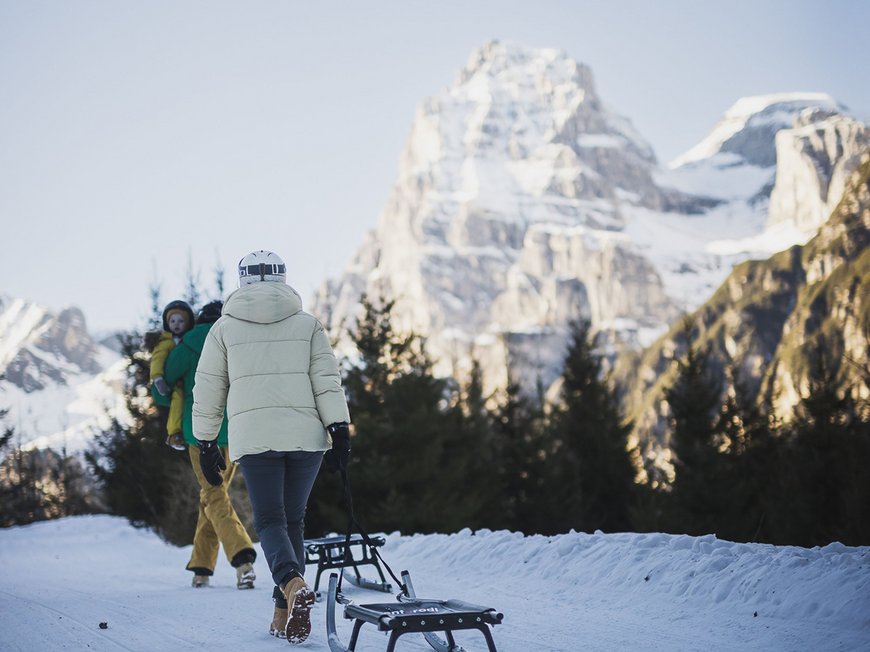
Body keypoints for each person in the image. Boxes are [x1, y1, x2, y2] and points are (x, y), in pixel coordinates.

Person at [192, 250, 351, 644]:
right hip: (307, 437)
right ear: (283, 278)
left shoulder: (224, 329)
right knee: (292, 519)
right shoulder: (308, 324)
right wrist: (340, 428)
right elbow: (327, 380)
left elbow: (209, 388)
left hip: (257, 438)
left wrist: (207, 441)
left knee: (269, 521)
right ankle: (283, 611)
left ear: (242, 280)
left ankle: (292, 585)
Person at [163, 300, 258, 589]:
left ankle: (242, 560)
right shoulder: (235, 340)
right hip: (233, 431)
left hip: (199, 433)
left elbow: (164, 386)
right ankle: (202, 568)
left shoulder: (188, 345)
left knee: (214, 495)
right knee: (213, 495)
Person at [150, 300, 194, 451]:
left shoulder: (189, 340)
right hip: (175, 384)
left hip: (190, 380)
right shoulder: (165, 342)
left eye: (181, 321)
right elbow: (157, 360)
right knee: (178, 400)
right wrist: (158, 378)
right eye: (173, 320)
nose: (176, 324)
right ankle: (174, 434)